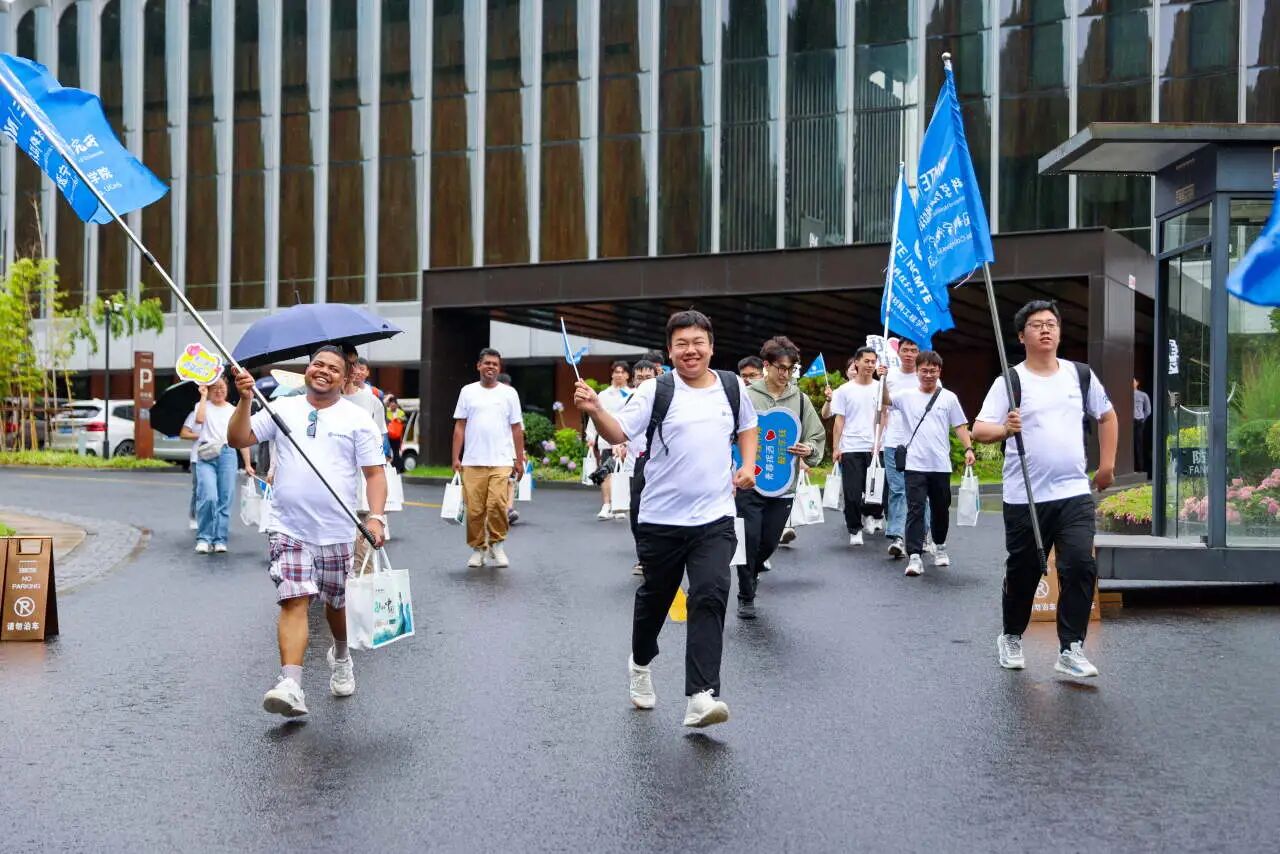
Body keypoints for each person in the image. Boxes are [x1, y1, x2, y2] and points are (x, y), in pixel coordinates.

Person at [575, 310, 757, 728]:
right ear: (670, 351)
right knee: (655, 599)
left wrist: (748, 465)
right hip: (661, 519)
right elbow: (618, 433)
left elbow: (748, 426)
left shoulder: (731, 387)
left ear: (711, 346)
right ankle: (640, 662)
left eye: (698, 342)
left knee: (710, 594)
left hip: (715, 517)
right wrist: (595, 410)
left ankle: (701, 696)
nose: (691, 351)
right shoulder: (655, 390)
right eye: (681, 344)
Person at [227, 347, 388, 718]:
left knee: (336, 603)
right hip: (288, 526)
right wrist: (245, 398)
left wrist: (376, 517)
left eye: (333, 368)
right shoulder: (282, 409)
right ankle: (291, 684)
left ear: (345, 378)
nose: (323, 371)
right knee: (294, 599)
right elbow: (238, 438)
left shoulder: (357, 419)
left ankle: (342, 655)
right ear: (307, 370)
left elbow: (375, 474)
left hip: (337, 529)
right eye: (318, 364)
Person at [973, 300, 1117, 678]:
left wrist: (1106, 466)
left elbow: (1107, 416)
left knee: (1080, 565)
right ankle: (1011, 635)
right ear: (1022, 336)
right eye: (1037, 325)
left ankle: (1070, 647)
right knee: (1025, 572)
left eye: (1051, 323)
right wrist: (1005, 429)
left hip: (1073, 492)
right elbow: (979, 429)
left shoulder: (1079, 375)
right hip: (1026, 496)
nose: (1046, 330)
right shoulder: (1010, 381)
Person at [735, 336, 825, 619]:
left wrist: (808, 449)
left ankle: (753, 572)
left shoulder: (800, 400)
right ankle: (745, 594)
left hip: (782, 485)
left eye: (790, 368)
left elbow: (816, 435)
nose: (785, 374)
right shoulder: (747, 396)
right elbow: (728, 433)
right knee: (749, 538)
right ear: (767, 365)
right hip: (749, 482)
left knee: (768, 542)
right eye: (780, 368)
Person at [889, 351, 974, 577]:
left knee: (940, 509)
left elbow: (960, 425)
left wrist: (968, 448)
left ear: (939, 372)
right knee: (915, 509)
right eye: (924, 370)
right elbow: (883, 402)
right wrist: (882, 377)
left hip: (940, 464)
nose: (928, 375)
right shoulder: (905, 396)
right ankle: (914, 556)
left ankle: (940, 545)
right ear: (917, 371)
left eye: (933, 371)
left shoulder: (949, 398)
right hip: (914, 464)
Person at [452, 348, 526, 568]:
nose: (491, 367)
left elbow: (516, 428)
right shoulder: (467, 391)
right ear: (479, 366)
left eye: (495, 364)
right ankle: (479, 549)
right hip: (472, 460)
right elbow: (460, 426)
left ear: (499, 368)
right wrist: (455, 457)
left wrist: (519, 459)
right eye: (487, 363)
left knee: (497, 505)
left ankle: (497, 544)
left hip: (501, 460)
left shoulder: (509, 393)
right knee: (475, 510)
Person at [180, 378, 254, 554]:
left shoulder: (233, 410)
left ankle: (220, 539)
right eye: (214, 388)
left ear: (227, 389)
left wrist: (248, 464)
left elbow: (242, 437)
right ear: (209, 389)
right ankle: (204, 538)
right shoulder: (202, 406)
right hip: (206, 453)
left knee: (225, 498)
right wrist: (203, 395)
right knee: (208, 496)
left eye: (222, 387)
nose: (219, 391)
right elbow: (199, 420)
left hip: (227, 453)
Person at [830, 348, 886, 546]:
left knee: (876, 489)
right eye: (866, 361)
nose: (870, 365)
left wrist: (878, 441)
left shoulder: (880, 388)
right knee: (852, 493)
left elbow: (883, 416)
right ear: (856, 362)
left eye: (873, 362)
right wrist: (836, 447)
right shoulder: (844, 391)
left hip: (874, 447)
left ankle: (872, 514)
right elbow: (839, 420)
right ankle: (854, 529)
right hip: (851, 447)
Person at [342, 348, 390, 569]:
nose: (353, 369)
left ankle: (365, 586)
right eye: (348, 363)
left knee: (362, 558)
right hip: (328, 493)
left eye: (356, 364)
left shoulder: (372, 402)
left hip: (362, 485)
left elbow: (378, 442)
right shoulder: (319, 401)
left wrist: (377, 515)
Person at [881, 338, 924, 557]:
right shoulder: (889, 376)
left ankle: (922, 535)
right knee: (897, 490)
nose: (909, 354)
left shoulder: (925, 376)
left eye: (913, 350)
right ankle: (897, 537)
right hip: (893, 441)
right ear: (898, 352)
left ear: (919, 353)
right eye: (905, 350)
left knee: (920, 492)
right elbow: (882, 406)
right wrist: (881, 380)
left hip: (920, 443)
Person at [585, 361, 634, 519]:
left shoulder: (633, 394)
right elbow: (595, 415)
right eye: (616, 372)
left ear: (627, 375)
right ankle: (606, 505)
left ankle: (620, 505)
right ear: (612, 374)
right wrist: (591, 436)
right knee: (606, 472)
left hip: (626, 441)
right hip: (607, 440)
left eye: (622, 372)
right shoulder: (603, 395)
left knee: (623, 473)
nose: (619, 375)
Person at [1132, 377, 1152, 477]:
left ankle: (1140, 468)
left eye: (1133, 381)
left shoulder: (1143, 395)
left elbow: (1148, 410)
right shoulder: (1125, 394)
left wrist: (1142, 420)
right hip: (1127, 422)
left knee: (1138, 444)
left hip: (1138, 421)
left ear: (1137, 383)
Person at [384, 394, 407, 473]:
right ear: (389, 405)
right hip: (389, 435)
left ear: (397, 405)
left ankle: (398, 467)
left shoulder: (400, 412)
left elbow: (405, 420)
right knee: (389, 451)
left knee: (396, 451)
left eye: (394, 404)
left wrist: (399, 419)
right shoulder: (387, 412)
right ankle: (394, 467)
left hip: (397, 436)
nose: (393, 406)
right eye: (391, 404)